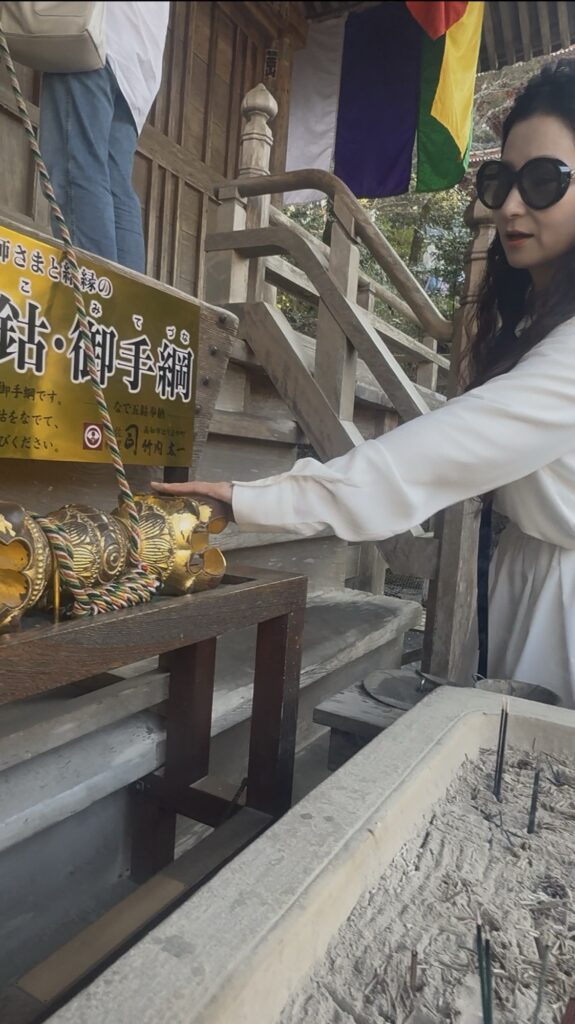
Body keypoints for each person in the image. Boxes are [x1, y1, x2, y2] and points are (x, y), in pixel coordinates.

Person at [153, 59, 575, 709]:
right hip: (527, 578)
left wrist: (252, 500)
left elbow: (437, 453)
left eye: (544, 181)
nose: (511, 205)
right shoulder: (531, 321)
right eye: (501, 181)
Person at [39, 1, 170, 273]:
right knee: (116, 186)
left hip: (93, 36)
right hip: (138, 66)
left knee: (77, 169)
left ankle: (90, 289)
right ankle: (124, 297)